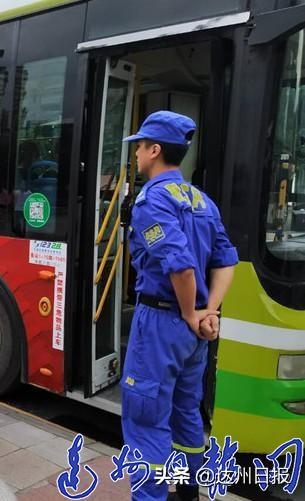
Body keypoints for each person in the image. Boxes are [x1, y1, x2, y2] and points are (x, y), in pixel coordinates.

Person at [121, 111, 238, 501]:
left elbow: (181, 266)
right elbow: (225, 260)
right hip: (194, 330)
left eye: (140, 146)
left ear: (155, 150)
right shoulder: (201, 199)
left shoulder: (151, 200)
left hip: (161, 321)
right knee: (186, 410)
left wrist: (191, 312)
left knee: (145, 418)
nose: (137, 154)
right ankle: (188, 493)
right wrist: (208, 312)